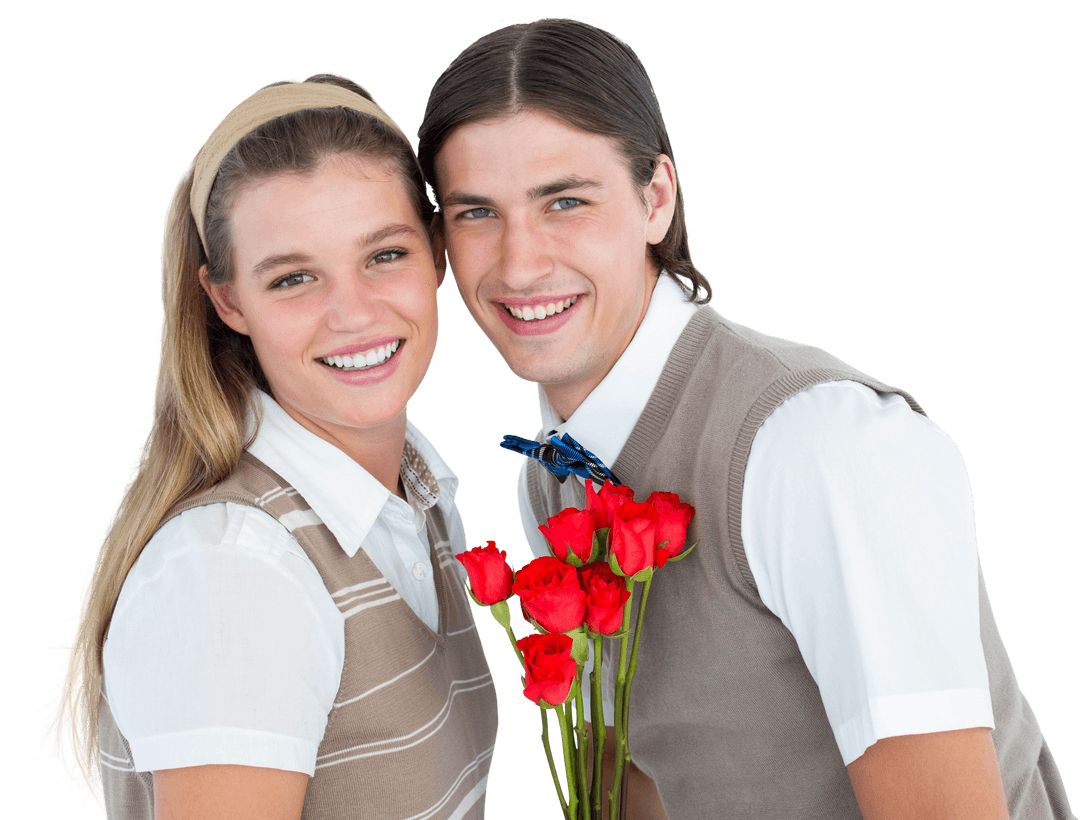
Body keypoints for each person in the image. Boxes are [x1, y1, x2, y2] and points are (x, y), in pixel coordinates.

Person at [416, 17, 1074, 820]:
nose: (520, 264)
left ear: (655, 199)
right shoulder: (550, 476)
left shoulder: (819, 446)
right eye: (476, 213)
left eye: (565, 201)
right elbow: (644, 773)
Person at [40, 73, 498, 820]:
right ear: (228, 301)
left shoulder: (415, 495)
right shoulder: (237, 571)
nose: (353, 313)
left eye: (385, 255)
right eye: (293, 278)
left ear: (437, 253)